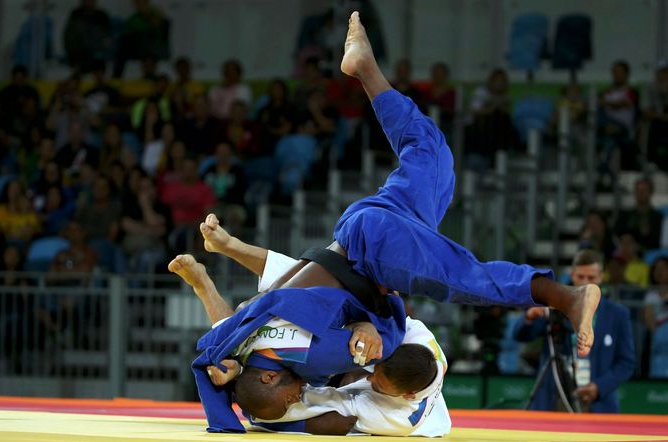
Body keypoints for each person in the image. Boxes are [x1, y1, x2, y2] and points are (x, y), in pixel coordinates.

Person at [180, 11, 600, 433]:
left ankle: (566, 297)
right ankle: (366, 69)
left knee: (463, 279)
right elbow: (247, 310)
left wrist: (368, 330)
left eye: (291, 395)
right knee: (431, 154)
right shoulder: (248, 332)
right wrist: (224, 357)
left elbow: (370, 335)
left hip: (373, 251)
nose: (299, 395)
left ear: (269, 377)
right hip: (365, 234)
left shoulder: (307, 357)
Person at [175, 214, 450, 437]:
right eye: (375, 372)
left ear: (408, 394)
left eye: (377, 383)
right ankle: (231, 245)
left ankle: (204, 285)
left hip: (332, 374)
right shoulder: (416, 338)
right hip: (358, 326)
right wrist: (366, 323)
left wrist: (240, 385)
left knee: (246, 325)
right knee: (302, 292)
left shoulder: (397, 417)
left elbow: (326, 418)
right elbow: (386, 306)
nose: (370, 377)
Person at [514, 250, 635, 412]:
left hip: (598, 405)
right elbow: (520, 335)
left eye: (591, 278)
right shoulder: (556, 305)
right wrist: (530, 316)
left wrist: (600, 387)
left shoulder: (618, 314)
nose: (585, 282)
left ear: (601, 276)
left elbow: (626, 362)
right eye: (580, 277)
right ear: (572, 275)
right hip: (554, 399)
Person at [615, 177, 664, 252]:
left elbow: (659, 241)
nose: (641, 193)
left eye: (644, 190)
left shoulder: (658, 217)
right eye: (638, 190)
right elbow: (617, 235)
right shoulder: (624, 216)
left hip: (650, 256)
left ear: (651, 193)